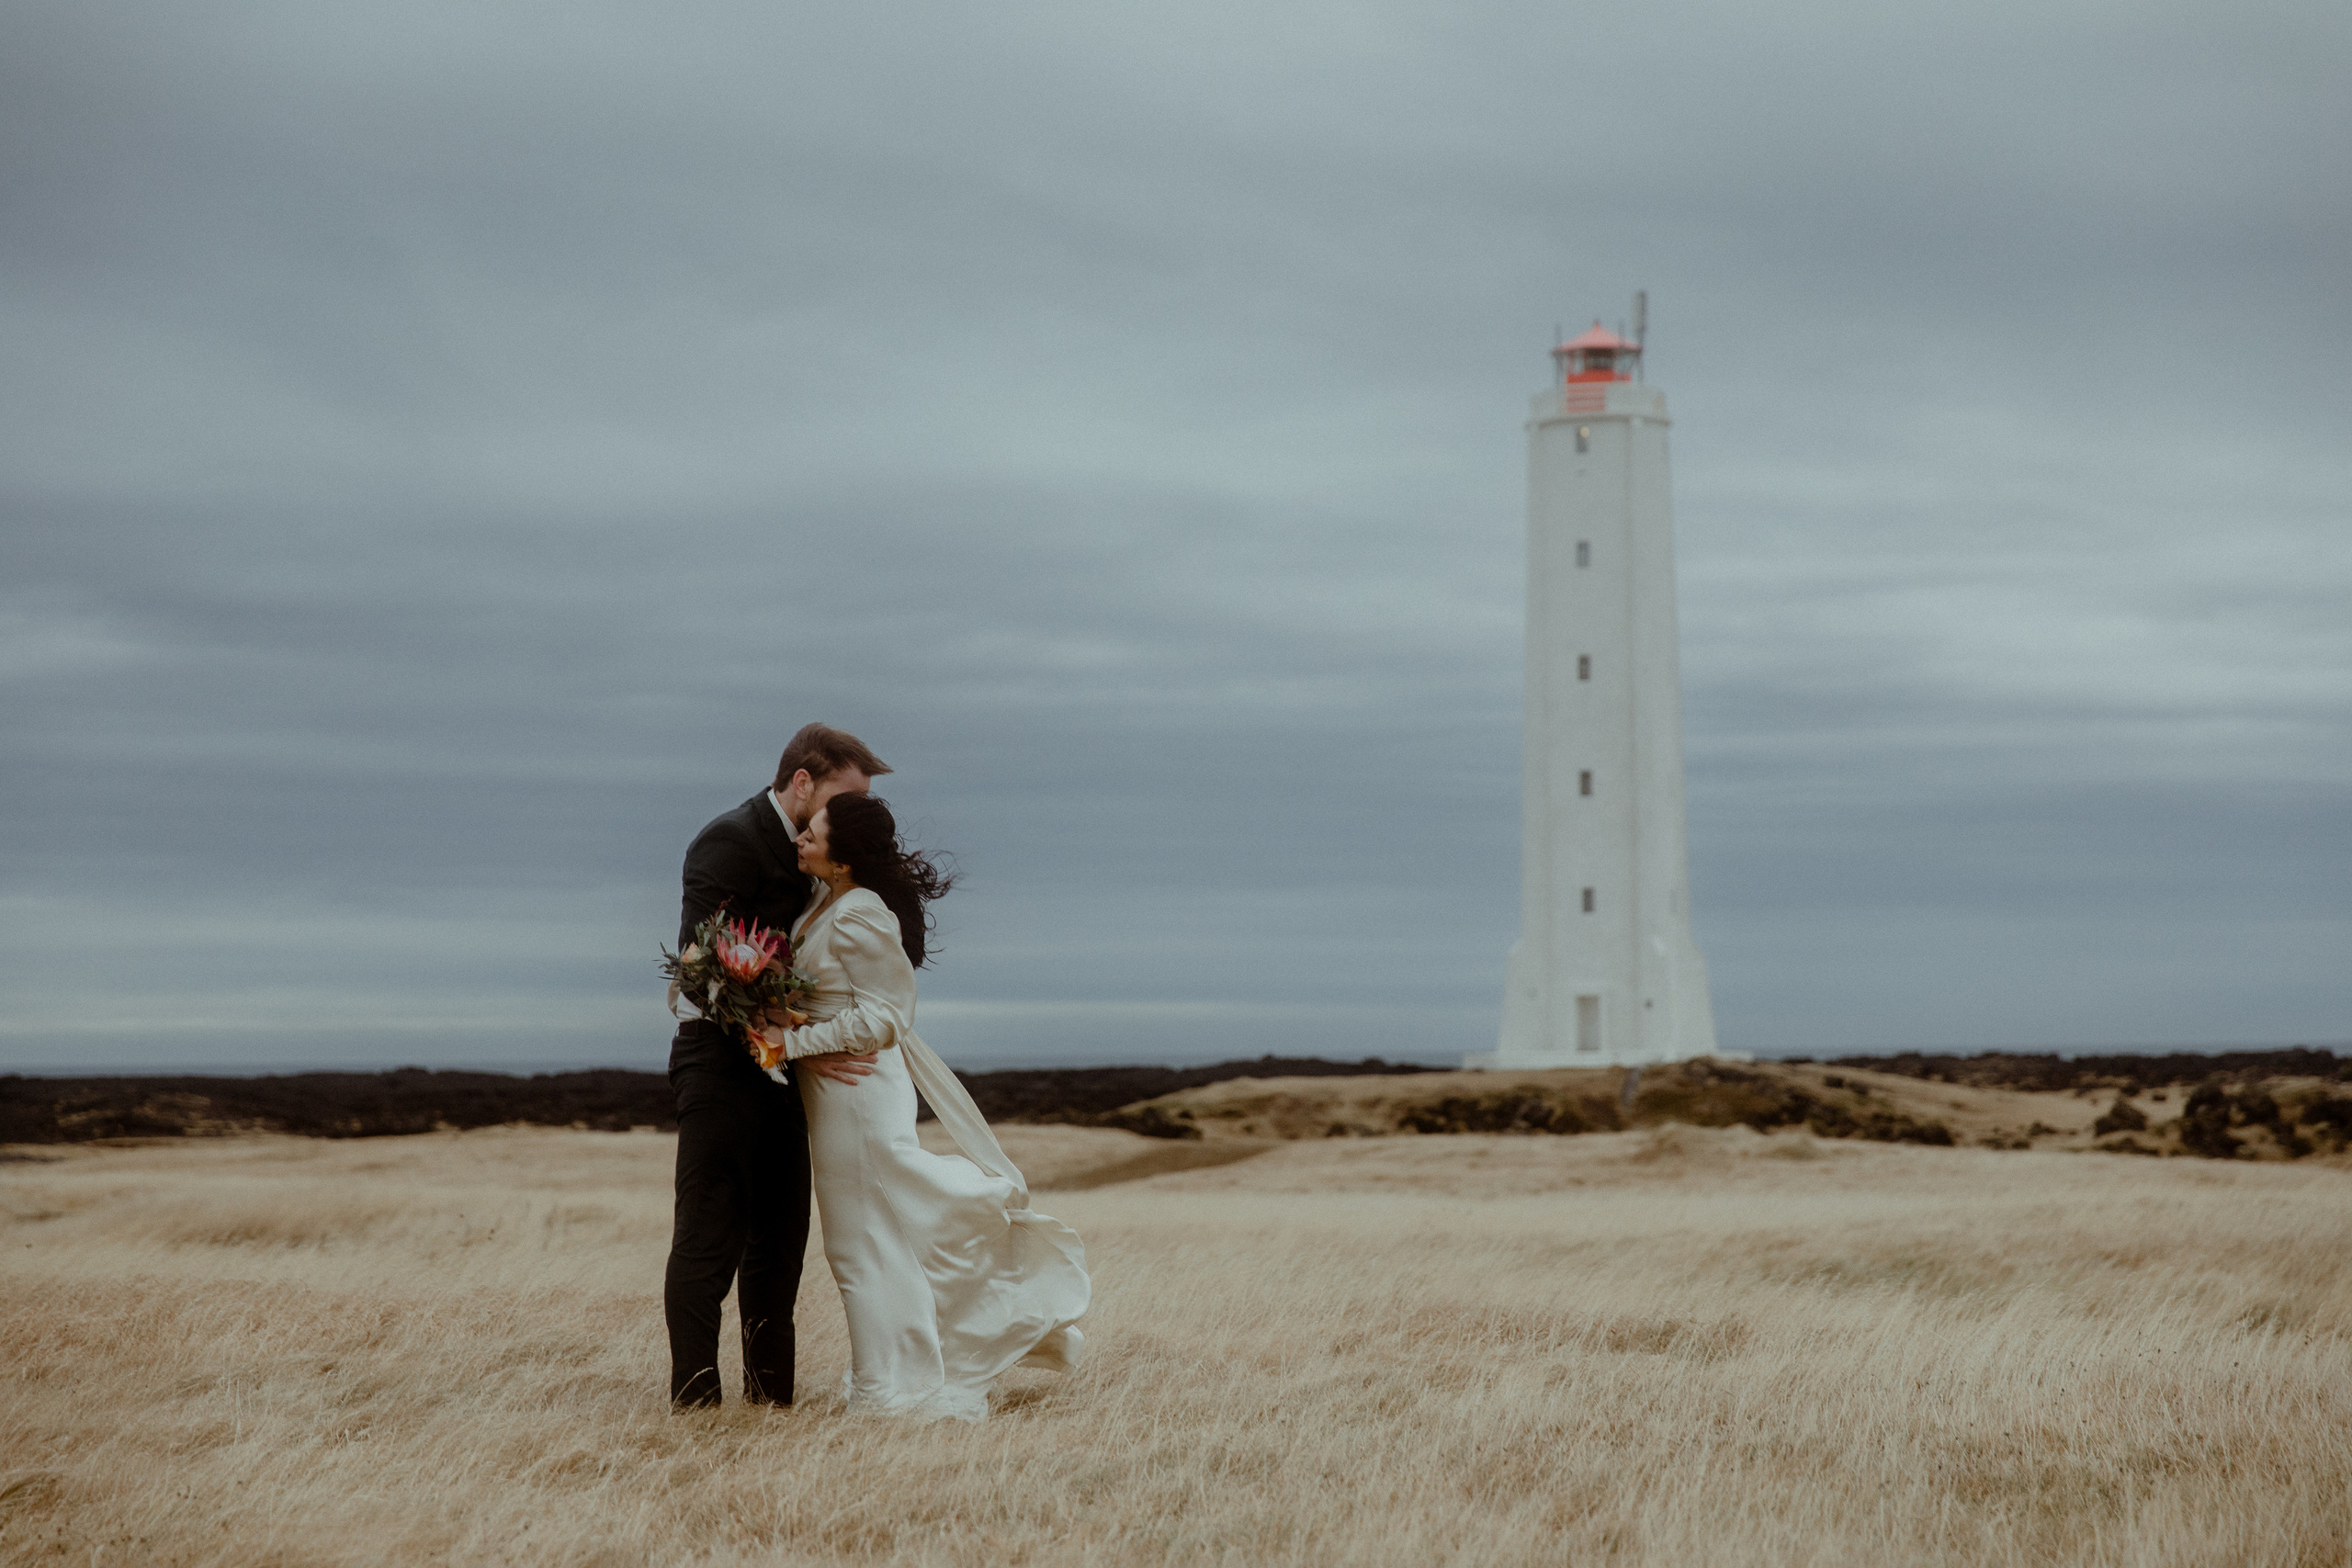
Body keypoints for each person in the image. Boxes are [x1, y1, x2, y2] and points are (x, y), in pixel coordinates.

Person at [753, 791, 1089, 1421]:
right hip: (836, 1093)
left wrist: (790, 1044)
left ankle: (890, 1392)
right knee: (869, 1242)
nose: (800, 836)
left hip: (858, 1096)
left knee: (858, 1246)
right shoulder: (827, 904)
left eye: (814, 832)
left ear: (845, 858)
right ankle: (894, 1378)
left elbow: (886, 1015)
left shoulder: (860, 914)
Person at [663, 723, 892, 1408]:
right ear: (802, 783)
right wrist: (780, 1033)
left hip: (791, 1074)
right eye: (841, 799)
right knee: (708, 1240)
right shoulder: (728, 840)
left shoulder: (821, 859)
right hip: (719, 1065)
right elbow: (701, 968)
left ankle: (772, 1407)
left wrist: (809, 1042)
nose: (848, 818)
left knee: (780, 1247)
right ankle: (697, 1406)